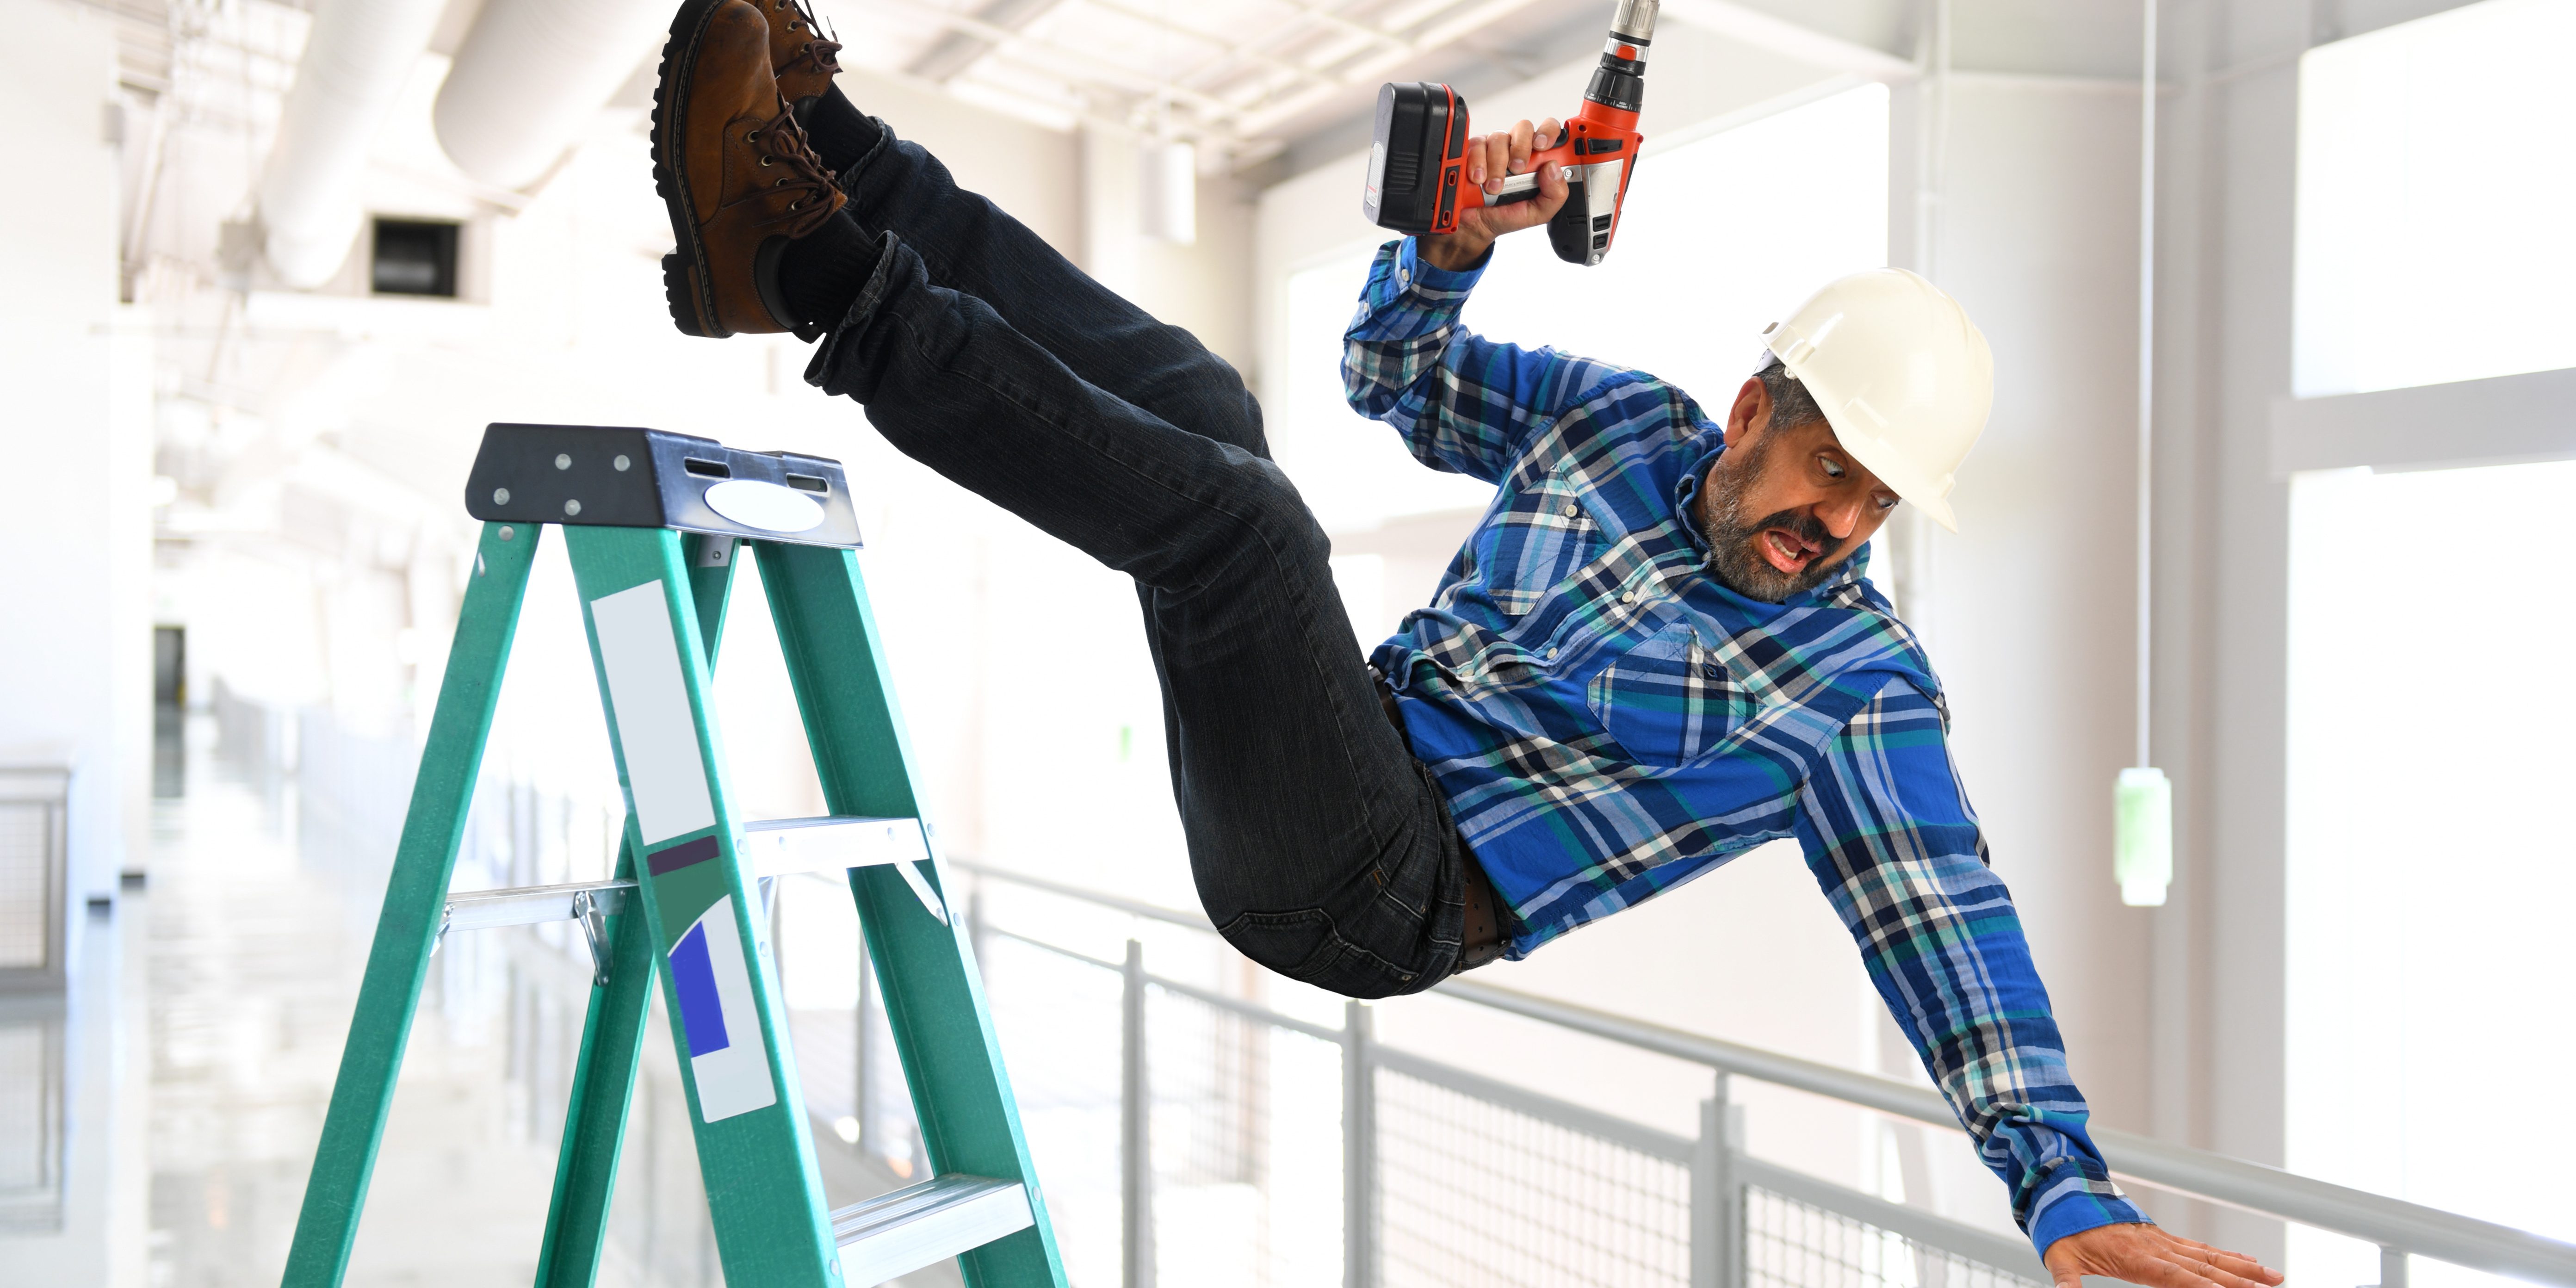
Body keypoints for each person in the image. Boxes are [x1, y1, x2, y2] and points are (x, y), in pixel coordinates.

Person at [647, 2, 2286, 1284]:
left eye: (1877, 504)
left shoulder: (1856, 694)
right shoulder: (1621, 431)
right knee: (1216, 409)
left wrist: (2059, 1185)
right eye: (1828, 469)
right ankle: (840, 155)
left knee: (1241, 527)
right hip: (1345, 747)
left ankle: (805, 268)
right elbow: (1393, 382)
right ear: (1750, 414)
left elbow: (1951, 931)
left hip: (1382, 896)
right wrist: (1442, 257)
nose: (1841, 524)